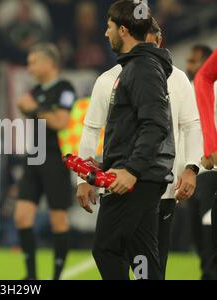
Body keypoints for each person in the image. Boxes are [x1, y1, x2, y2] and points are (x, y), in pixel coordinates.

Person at [77, 18, 202, 279]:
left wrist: (191, 168)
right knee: (131, 256)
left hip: (160, 187)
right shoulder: (108, 80)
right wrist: (85, 177)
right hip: (126, 183)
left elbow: (191, 125)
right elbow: (91, 128)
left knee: (144, 259)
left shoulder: (178, 79)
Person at [89, 0, 175, 280]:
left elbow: (155, 124)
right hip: (139, 176)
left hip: (133, 181)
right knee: (142, 257)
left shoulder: (142, 68)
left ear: (123, 30)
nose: (105, 33)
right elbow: (136, 129)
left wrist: (131, 169)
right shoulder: (141, 67)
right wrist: (105, 164)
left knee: (107, 248)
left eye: (109, 27)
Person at [14, 43, 76, 280]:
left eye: (33, 62)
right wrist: (29, 108)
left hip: (55, 159)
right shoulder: (36, 90)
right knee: (21, 216)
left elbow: (61, 122)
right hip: (35, 156)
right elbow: (31, 109)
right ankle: (31, 276)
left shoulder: (64, 88)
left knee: (58, 219)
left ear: (49, 63)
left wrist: (34, 108)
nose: (29, 68)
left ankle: (57, 275)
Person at [185, 45, 217, 279]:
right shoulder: (187, 90)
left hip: (210, 169)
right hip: (199, 167)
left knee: (208, 225)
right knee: (198, 227)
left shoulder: (211, 86)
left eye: (195, 61)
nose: (190, 66)